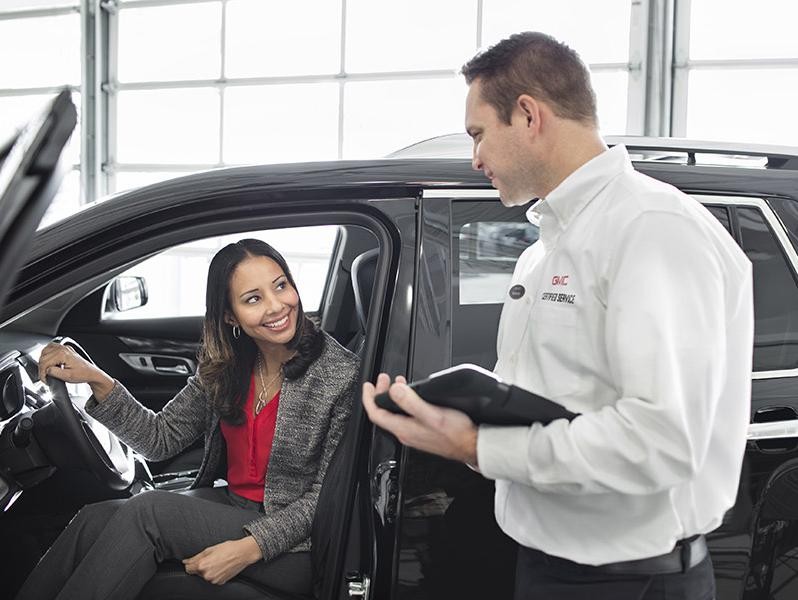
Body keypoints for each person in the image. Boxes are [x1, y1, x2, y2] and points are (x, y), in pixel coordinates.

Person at [362, 31, 753, 600]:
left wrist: (476, 446)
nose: (475, 159)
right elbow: (564, 397)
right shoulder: (542, 252)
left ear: (527, 115)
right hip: (548, 564)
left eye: (478, 135)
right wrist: (475, 408)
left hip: (630, 580)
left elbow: (660, 441)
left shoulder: (651, 230)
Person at [17, 238, 360, 600]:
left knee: (148, 512)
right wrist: (97, 380)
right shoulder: (230, 364)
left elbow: (327, 498)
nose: (277, 306)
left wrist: (248, 548)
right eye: (253, 299)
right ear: (230, 315)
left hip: (297, 544)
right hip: (235, 506)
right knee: (93, 519)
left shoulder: (340, 374)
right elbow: (159, 438)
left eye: (281, 286)